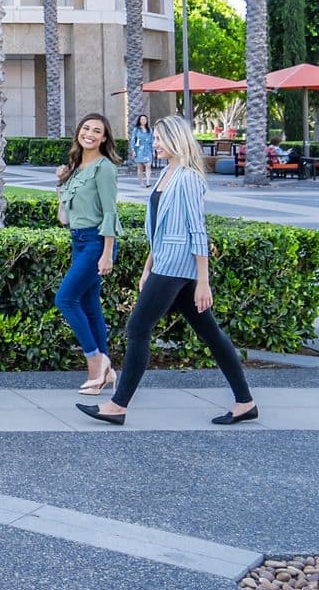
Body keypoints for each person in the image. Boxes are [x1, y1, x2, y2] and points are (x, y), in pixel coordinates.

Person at [78, 114, 259, 428]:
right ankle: (246, 402)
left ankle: (117, 406)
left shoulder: (187, 177)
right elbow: (160, 227)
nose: (155, 143)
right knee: (211, 334)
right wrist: (149, 265)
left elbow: (197, 230)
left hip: (178, 266)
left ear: (176, 140)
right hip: (165, 262)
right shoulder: (167, 173)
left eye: (160, 139)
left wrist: (203, 281)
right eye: (155, 138)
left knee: (137, 329)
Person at [54, 114, 121, 395]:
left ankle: (95, 359)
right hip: (78, 240)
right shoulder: (76, 168)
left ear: (104, 138)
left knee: (65, 299)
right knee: (90, 304)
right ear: (78, 133)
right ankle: (102, 373)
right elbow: (64, 219)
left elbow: (110, 213)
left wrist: (107, 253)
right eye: (86, 128)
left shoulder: (104, 169)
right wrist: (59, 185)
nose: (90, 134)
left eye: (97, 131)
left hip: (96, 242)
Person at [129, 113, 155, 187]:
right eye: (142, 119)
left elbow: (152, 140)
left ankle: (148, 182)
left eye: (145, 119)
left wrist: (153, 151)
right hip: (139, 149)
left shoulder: (149, 130)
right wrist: (133, 150)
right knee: (140, 167)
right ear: (139, 120)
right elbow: (133, 140)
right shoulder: (136, 130)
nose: (143, 121)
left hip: (148, 149)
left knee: (148, 165)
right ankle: (141, 182)